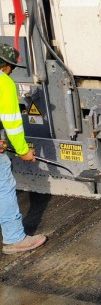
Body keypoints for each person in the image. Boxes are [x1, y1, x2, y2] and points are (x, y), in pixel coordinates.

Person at [0, 43, 47, 254]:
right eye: (11, 67)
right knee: (3, 186)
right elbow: (12, 122)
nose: (11, 71)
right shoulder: (4, 82)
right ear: (6, 66)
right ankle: (15, 238)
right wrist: (22, 150)